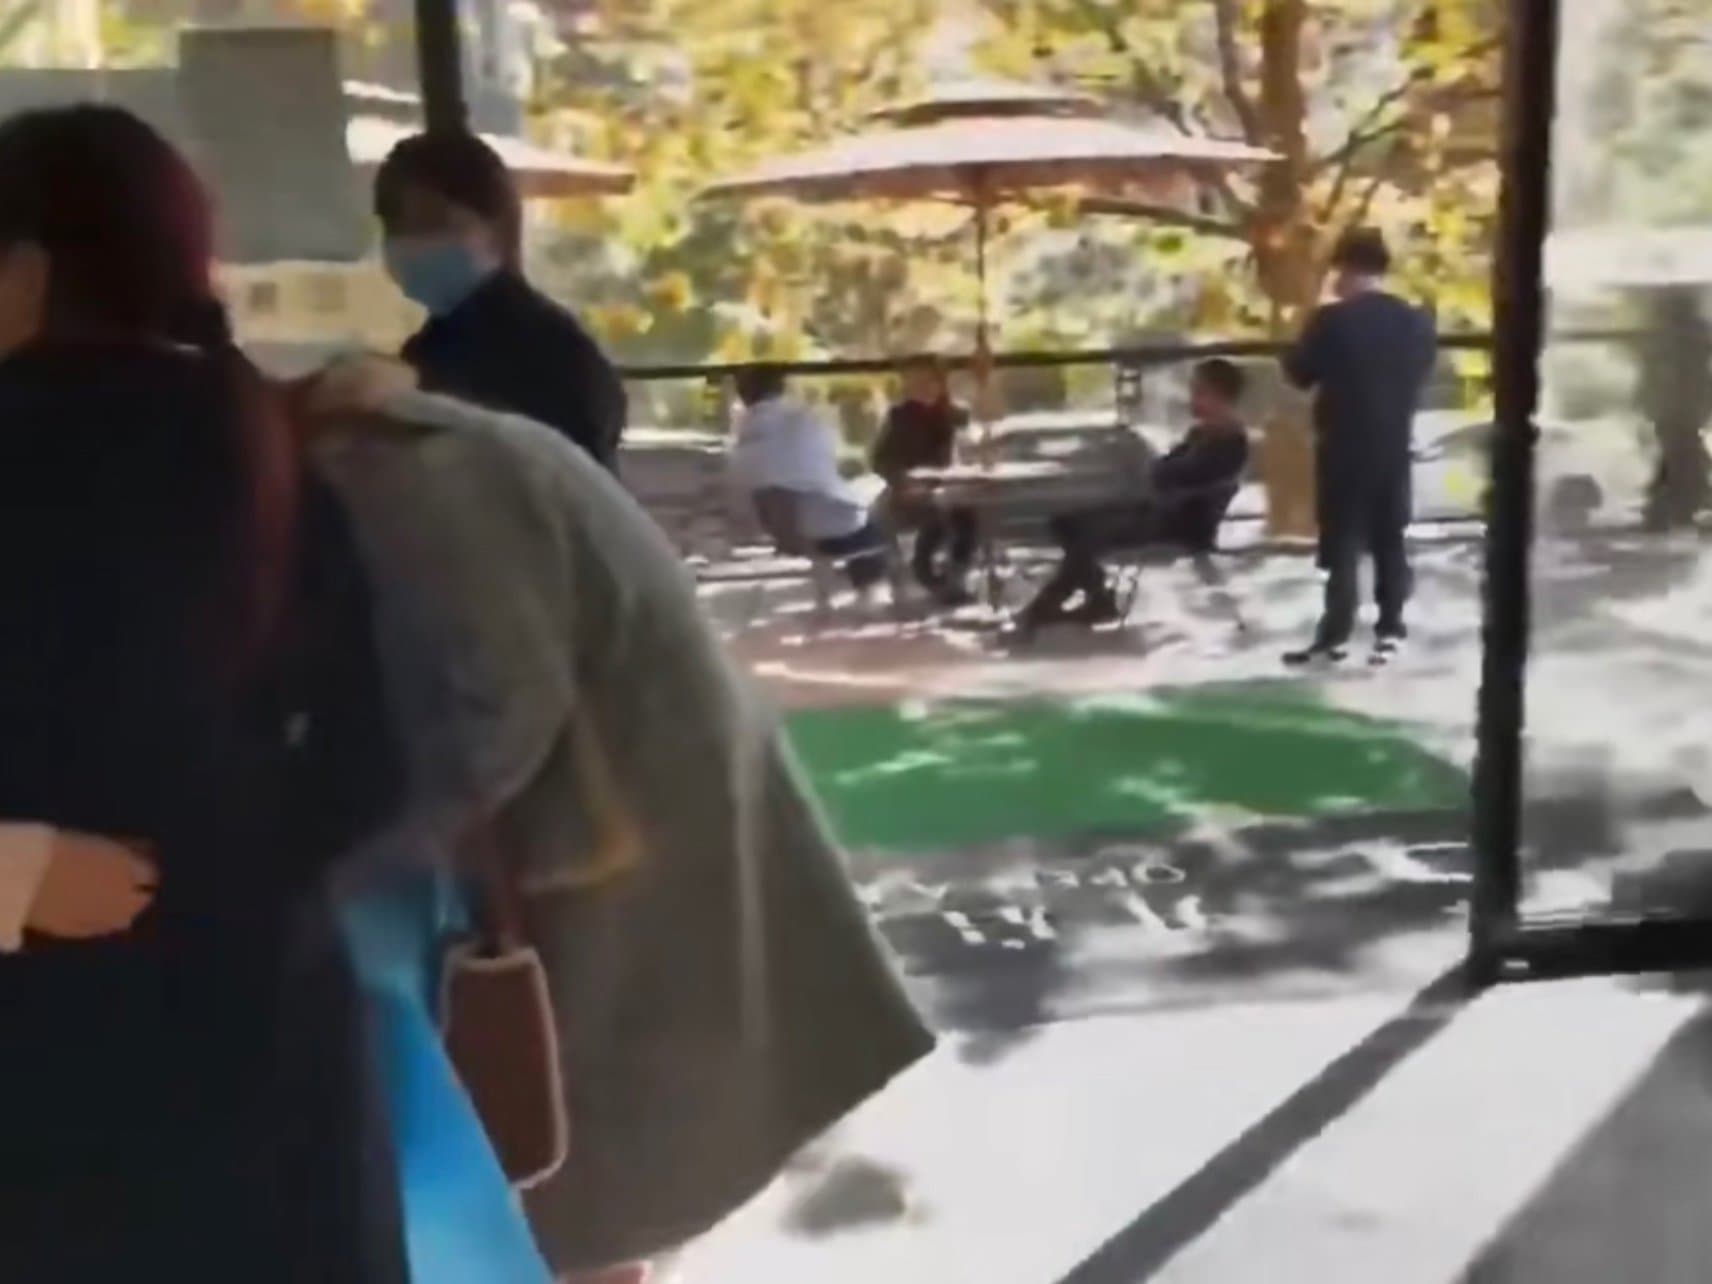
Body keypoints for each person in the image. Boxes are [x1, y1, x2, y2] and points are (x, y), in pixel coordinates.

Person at [289, 350, 935, 1283]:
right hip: (635, 819)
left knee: (590, 1176)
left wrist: (323, 861)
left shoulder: (407, 474)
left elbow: (494, 712)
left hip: (629, 842)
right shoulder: (408, 455)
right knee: (593, 1181)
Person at [0, 106, 407, 1281]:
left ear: (27, 271)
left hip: (44, 1102)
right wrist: (219, 877)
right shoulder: (262, 453)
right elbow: (367, 772)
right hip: (270, 1055)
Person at [374, 130, 627, 471]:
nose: (412, 243)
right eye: (397, 228)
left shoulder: (552, 355)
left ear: (499, 228)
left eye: (433, 222)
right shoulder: (428, 349)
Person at [1282, 228, 1437, 666]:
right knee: (1390, 538)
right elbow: (1421, 374)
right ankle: (1390, 629)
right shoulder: (1415, 322)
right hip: (1394, 443)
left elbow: (1299, 374)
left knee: (1343, 542)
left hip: (1343, 444)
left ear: (1344, 269)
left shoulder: (1331, 321)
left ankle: (1335, 635)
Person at [1017, 358, 1251, 633]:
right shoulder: (1200, 434)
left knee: (1087, 535)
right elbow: (1164, 470)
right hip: (1158, 511)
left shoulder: (1230, 443)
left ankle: (1045, 609)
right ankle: (1095, 597)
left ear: (1221, 396)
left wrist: (1163, 476)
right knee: (1066, 523)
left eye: (1200, 391)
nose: (1192, 398)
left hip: (1180, 525)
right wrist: (1162, 476)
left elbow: (1178, 474)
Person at [728, 362, 889, 594]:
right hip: (829, 530)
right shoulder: (805, 422)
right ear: (783, 387)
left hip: (779, 531)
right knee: (876, 506)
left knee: (845, 502)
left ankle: (835, 592)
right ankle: (871, 590)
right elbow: (830, 458)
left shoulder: (742, 442)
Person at [871, 355, 978, 604]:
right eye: (914, 381)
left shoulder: (957, 414)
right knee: (925, 513)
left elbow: (971, 450)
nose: (921, 387)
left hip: (951, 488)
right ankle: (925, 574)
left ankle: (954, 578)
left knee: (965, 513)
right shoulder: (898, 416)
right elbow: (880, 460)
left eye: (928, 380)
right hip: (908, 490)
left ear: (941, 383)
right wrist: (902, 481)